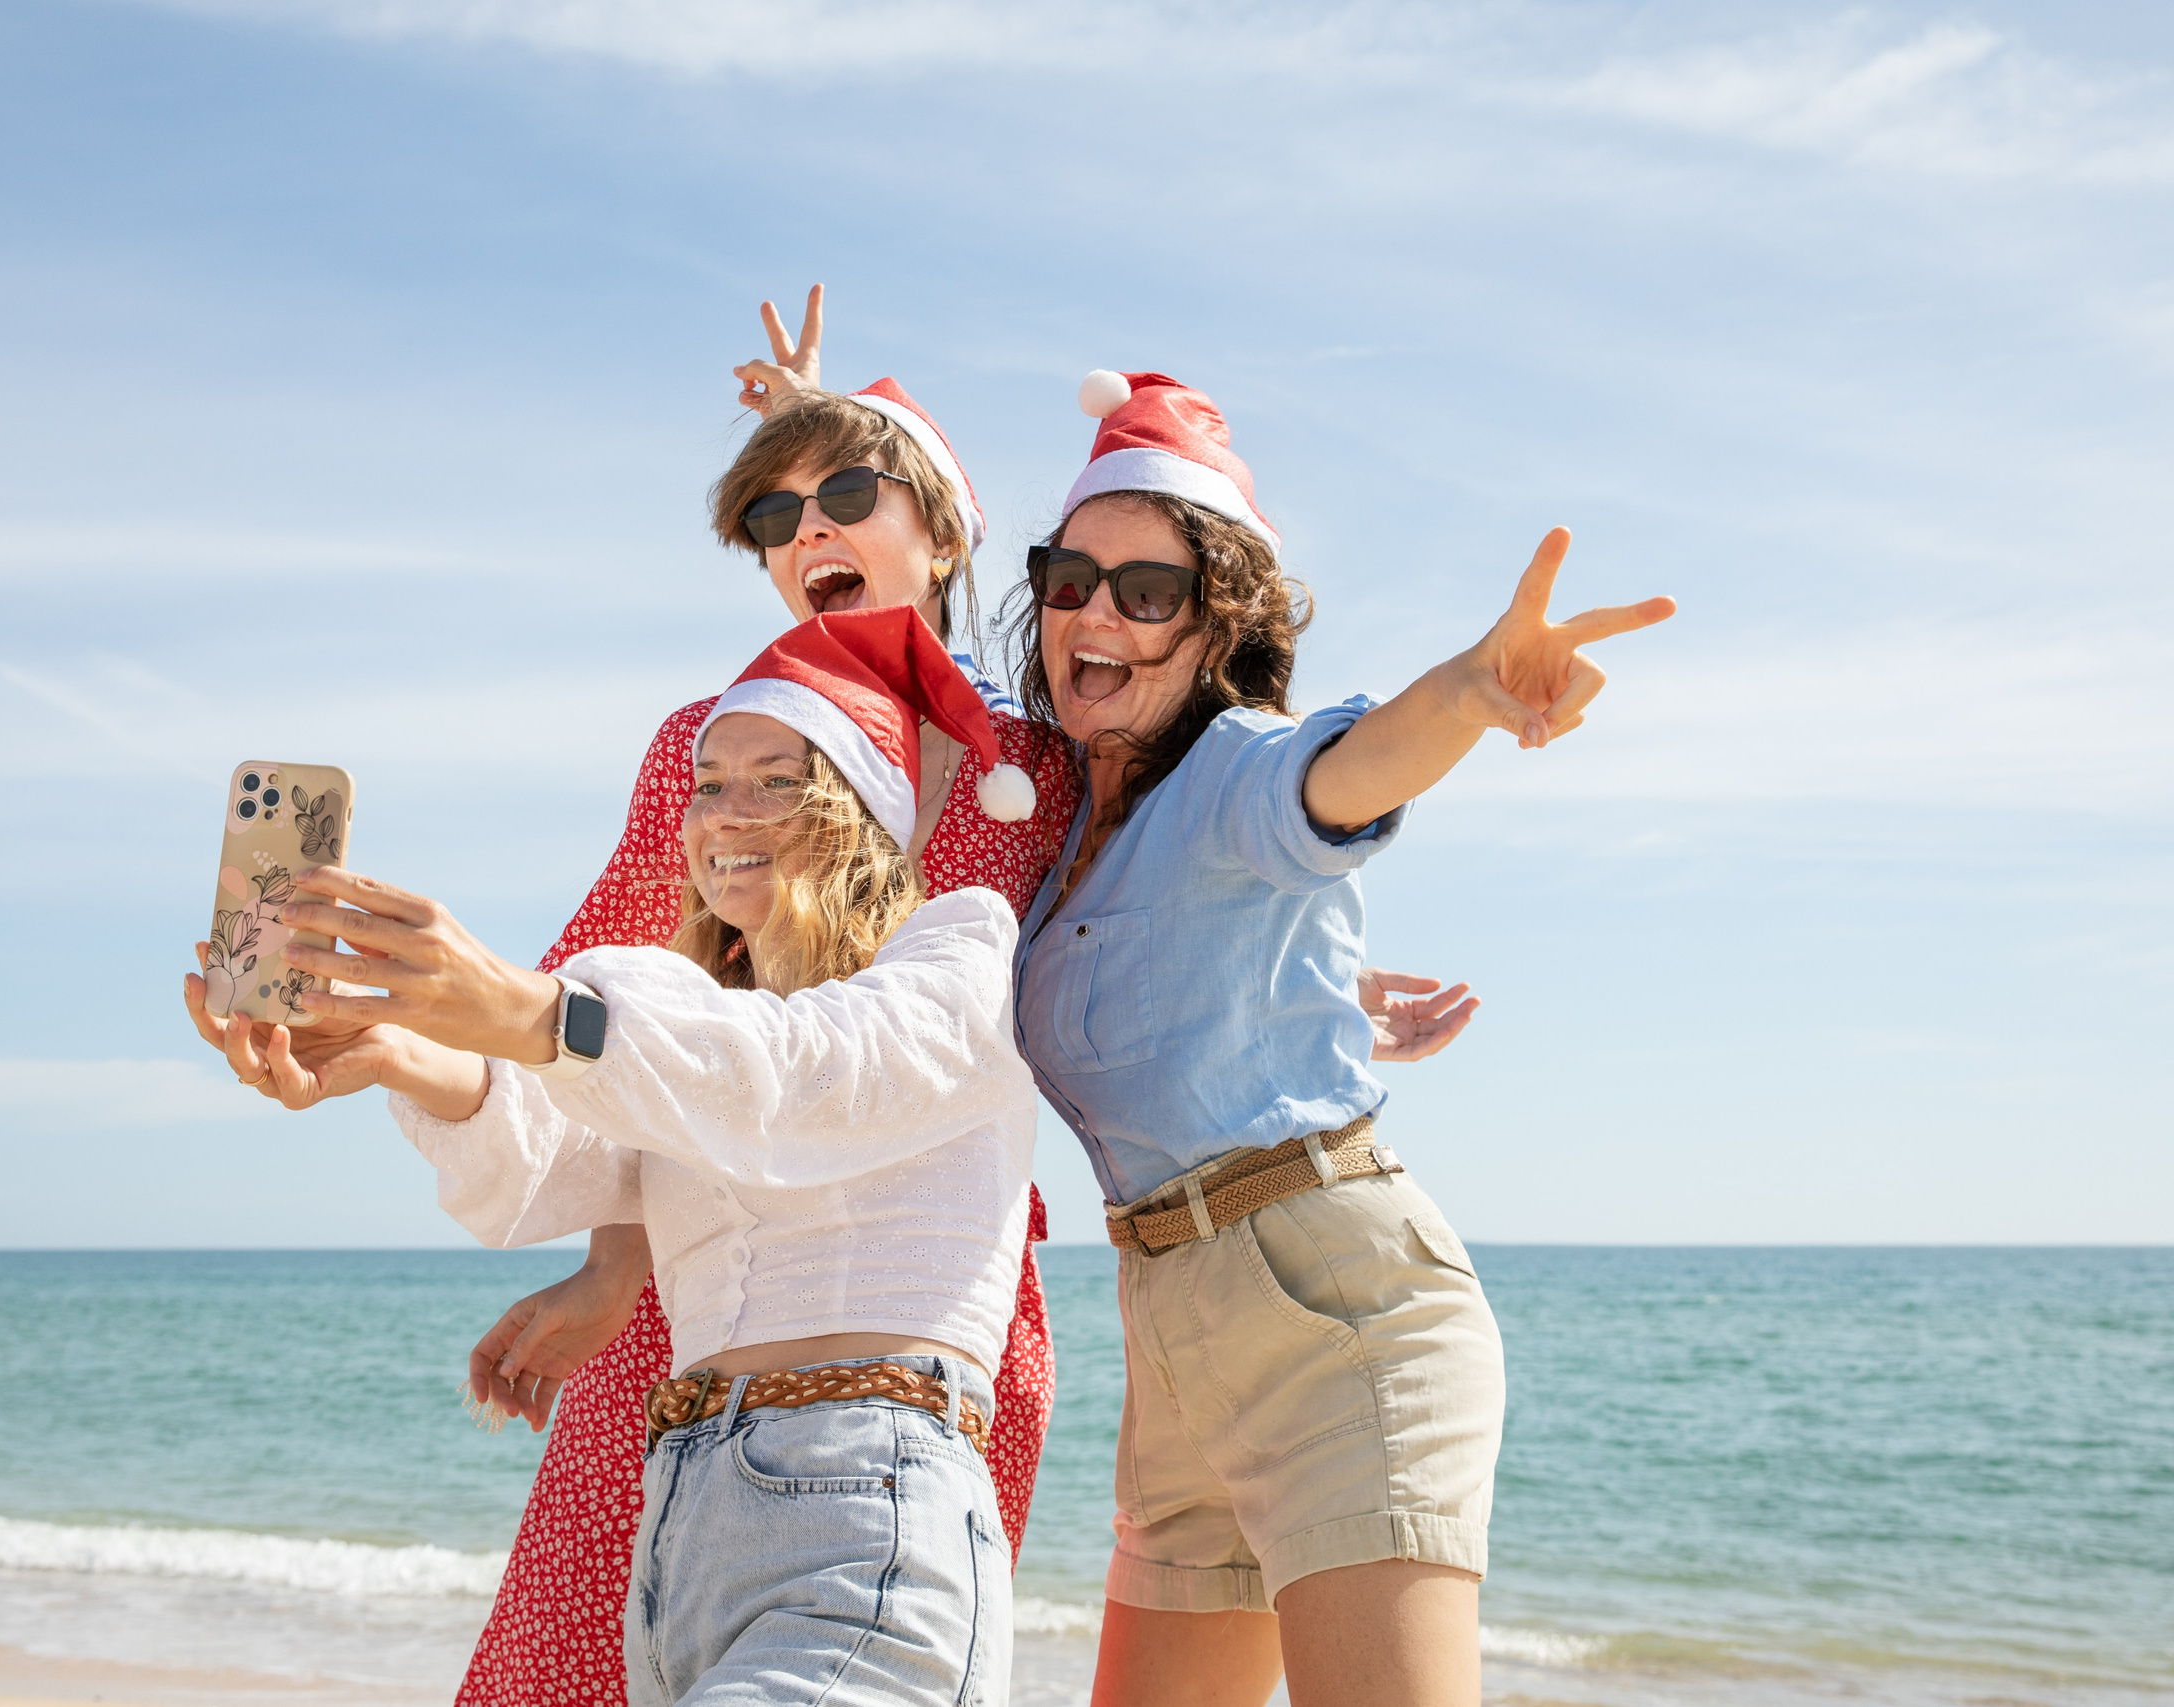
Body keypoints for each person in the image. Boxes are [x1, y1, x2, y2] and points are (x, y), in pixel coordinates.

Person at [210, 607, 1048, 1704]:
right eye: (706, 783)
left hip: (867, 1509)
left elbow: (809, 1074)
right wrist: (390, 1053)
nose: (721, 813)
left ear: (857, 813)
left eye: (773, 781)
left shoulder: (959, 952)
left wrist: (534, 1012)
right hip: (682, 1534)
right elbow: (557, 1162)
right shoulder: (696, 1024)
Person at [1010, 371, 1676, 1707]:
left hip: (1338, 1317)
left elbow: (1351, 768)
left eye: (1149, 592)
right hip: (1171, 1342)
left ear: (1218, 627)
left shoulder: (1237, 763)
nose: (1097, 613)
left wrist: (1472, 690)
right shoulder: (1055, 831)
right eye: (1071, 577)